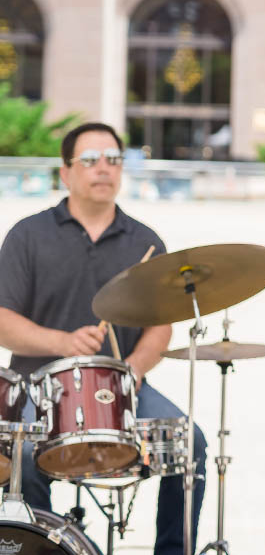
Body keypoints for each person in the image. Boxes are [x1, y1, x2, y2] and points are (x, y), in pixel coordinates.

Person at [0, 122, 206, 555]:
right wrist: (61, 342)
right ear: (66, 173)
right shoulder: (27, 235)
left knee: (191, 444)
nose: (103, 169)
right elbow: (2, 320)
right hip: (38, 389)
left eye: (113, 160)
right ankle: (47, 551)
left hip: (122, 392)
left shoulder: (145, 242)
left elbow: (160, 325)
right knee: (22, 458)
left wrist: (133, 370)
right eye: (90, 160)